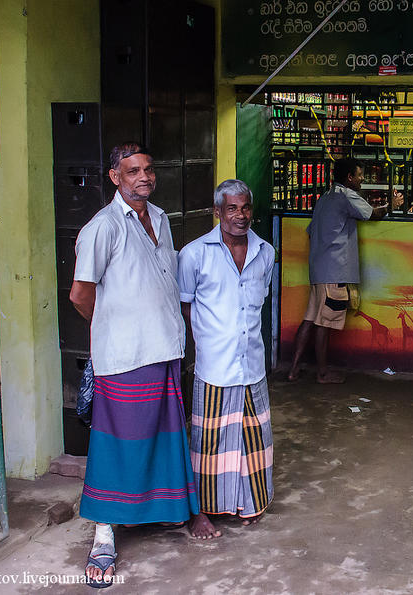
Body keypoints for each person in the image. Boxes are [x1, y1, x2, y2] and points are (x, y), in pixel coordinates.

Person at [70, 142, 197, 587]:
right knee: (118, 443)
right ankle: (104, 535)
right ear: (114, 177)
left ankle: (157, 512)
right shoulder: (102, 228)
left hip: (163, 348)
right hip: (125, 355)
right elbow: (81, 295)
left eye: (148, 169)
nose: (143, 176)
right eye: (132, 171)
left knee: (161, 436)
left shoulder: (159, 217)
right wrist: (111, 325)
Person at [177, 179, 276, 540]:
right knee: (208, 444)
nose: (241, 215)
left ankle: (247, 503)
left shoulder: (265, 252)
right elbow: (186, 307)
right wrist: (209, 339)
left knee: (252, 438)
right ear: (217, 212)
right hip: (215, 365)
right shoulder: (193, 254)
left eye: (246, 207)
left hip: (252, 363)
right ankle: (200, 512)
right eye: (232, 208)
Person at [287, 157, 387, 384]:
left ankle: (293, 369)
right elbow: (373, 214)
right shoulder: (346, 195)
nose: (362, 179)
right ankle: (322, 374)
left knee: (310, 319)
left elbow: (311, 230)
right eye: (360, 175)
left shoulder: (324, 198)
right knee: (325, 323)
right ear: (349, 177)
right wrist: (393, 205)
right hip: (334, 272)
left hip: (319, 270)